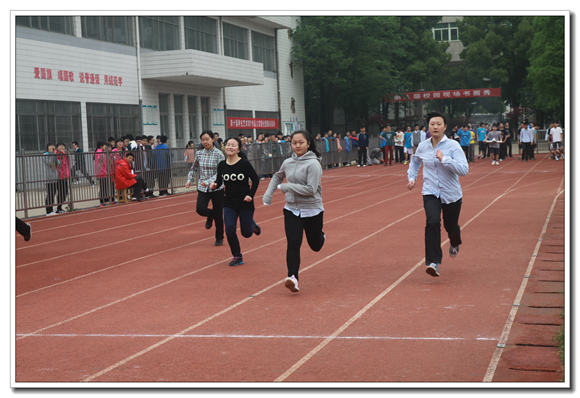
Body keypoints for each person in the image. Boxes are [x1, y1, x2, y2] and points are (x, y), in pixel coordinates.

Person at [407, 111, 468, 277]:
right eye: (432, 123)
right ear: (428, 126)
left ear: (445, 127)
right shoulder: (422, 146)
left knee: (451, 226)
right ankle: (433, 262)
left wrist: (445, 159)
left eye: (439, 124)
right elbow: (414, 163)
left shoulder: (453, 146)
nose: (435, 126)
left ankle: (455, 242)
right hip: (430, 191)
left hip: (451, 194)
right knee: (432, 222)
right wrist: (412, 178)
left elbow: (464, 170)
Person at [263, 130, 325, 293]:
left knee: (315, 246)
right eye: (294, 143)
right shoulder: (288, 162)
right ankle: (293, 278)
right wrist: (268, 194)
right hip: (291, 209)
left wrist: (286, 187)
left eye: (301, 142)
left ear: (308, 143)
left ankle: (320, 236)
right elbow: (277, 177)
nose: (297, 146)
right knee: (293, 243)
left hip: (312, 209)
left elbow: (311, 190)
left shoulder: (313, 164)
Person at [209, 137, 261, 266]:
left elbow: (255, 179)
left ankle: (252, 226)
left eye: (233, 145)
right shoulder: (222, 165)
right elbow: (220, 181)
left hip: (245, 202)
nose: (230, 147)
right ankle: (237, 256)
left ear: (238, 149)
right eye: (228, 145)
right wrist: (215, 184)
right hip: (229, 202)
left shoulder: (244, 164)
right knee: (230, 230)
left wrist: (251, 195)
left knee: (246, 233)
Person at [186, 130, 226, 246]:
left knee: (219, 214)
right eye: (203, 140)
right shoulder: (199, 153)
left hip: (217, 187)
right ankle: (210, 215)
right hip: (203, 188)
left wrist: (209, 182)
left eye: (207, 139)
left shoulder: (219, 154)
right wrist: (189, 180)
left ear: (213, 139)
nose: (205, 142)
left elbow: (220, 172)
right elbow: (194, 168)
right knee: (200, 209)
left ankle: (219, 237)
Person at [43, 143, 60, 216]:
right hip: (48, 178)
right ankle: (48, 211)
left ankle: (51, 210)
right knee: (49, 194)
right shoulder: (45, 155)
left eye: (53, 146)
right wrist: (51, 153)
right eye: (50, 146)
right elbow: (50, 163)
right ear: (47, 148)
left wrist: (54, 154)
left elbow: (58, 163)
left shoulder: (53, 154)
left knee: (53, 194)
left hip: (54, 178)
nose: (52, 147)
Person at [94, 141, 113, 206]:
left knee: (103, 187)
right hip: (103, 172)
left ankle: (103, 201)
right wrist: (109, 170)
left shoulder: (97, 152)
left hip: (100, 172)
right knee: (103, 188)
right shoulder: (101, 153)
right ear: (101, 146)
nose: (106, 147)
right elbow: (106, 164)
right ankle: (102, 201)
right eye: (104, 146)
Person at [55, 143, 70, 214]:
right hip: (58, 177)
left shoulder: (65, 155)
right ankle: (59, 208)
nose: (62, 147)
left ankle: (59, 207)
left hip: (65, 176)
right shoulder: (55, 155)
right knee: (60, 193)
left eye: (63, 146)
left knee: (65, 192)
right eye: (60, 146)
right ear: (57, 148)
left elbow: (67, 164)